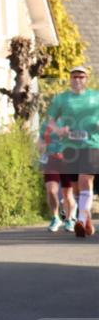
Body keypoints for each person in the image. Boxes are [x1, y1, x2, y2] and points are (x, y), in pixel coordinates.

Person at [41, 65, 99, 237]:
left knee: (85, 180)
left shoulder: (95, 97)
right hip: (70, 147)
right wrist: (58, 131)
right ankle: (86, 217)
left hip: (92, 144)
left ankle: (80, 220)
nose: (78, 80)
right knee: (75, 189)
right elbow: (50, 120)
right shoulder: (62, 99)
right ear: (70, 79)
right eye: (74, 76)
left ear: (86, 79)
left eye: (81, 77)